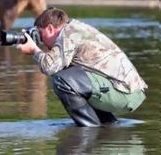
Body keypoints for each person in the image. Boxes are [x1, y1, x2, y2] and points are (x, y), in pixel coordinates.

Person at [16, 7, 148, 127]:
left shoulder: (68, 33)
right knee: (71, 77)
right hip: (127, 91)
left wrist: (34, 50)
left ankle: (89, 130)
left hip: (125, 92)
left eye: (40, 34)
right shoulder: (75, 28)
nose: (41, 41)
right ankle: (107, 126)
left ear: (50, 29)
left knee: (62, 80)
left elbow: (49, 67)